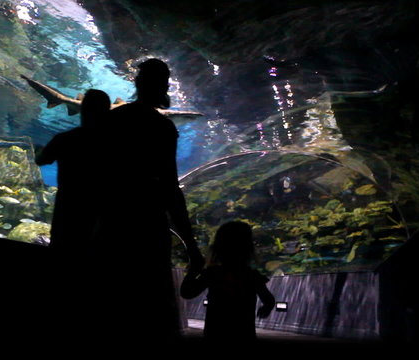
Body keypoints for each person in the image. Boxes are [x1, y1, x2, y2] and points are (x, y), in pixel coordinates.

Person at [94, 58, 204, 344]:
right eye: (164, 82)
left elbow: (93, 175)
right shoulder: (162, 127)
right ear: (161, 85)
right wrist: (191, 246)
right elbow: (170, 187)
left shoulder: (111, 119)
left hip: (110, 221)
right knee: (152, 305)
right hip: (147, 224)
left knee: (110, 303)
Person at [36, 88, 110, 256]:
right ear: (107, 113)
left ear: (82, 110)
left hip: (67, 212)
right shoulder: (116, 145)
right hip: (99, 216)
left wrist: (39, 150)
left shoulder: (65, 139)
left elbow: (41, 160)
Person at [181, 221, 275, 346]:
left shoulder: (212, 273)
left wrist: (194, 270)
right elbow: (268, 299)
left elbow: (187, 293)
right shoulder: (252, 275)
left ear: (217, 248)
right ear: (248, 248)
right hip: (244, 335)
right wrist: (267, 307)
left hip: (215, 334)